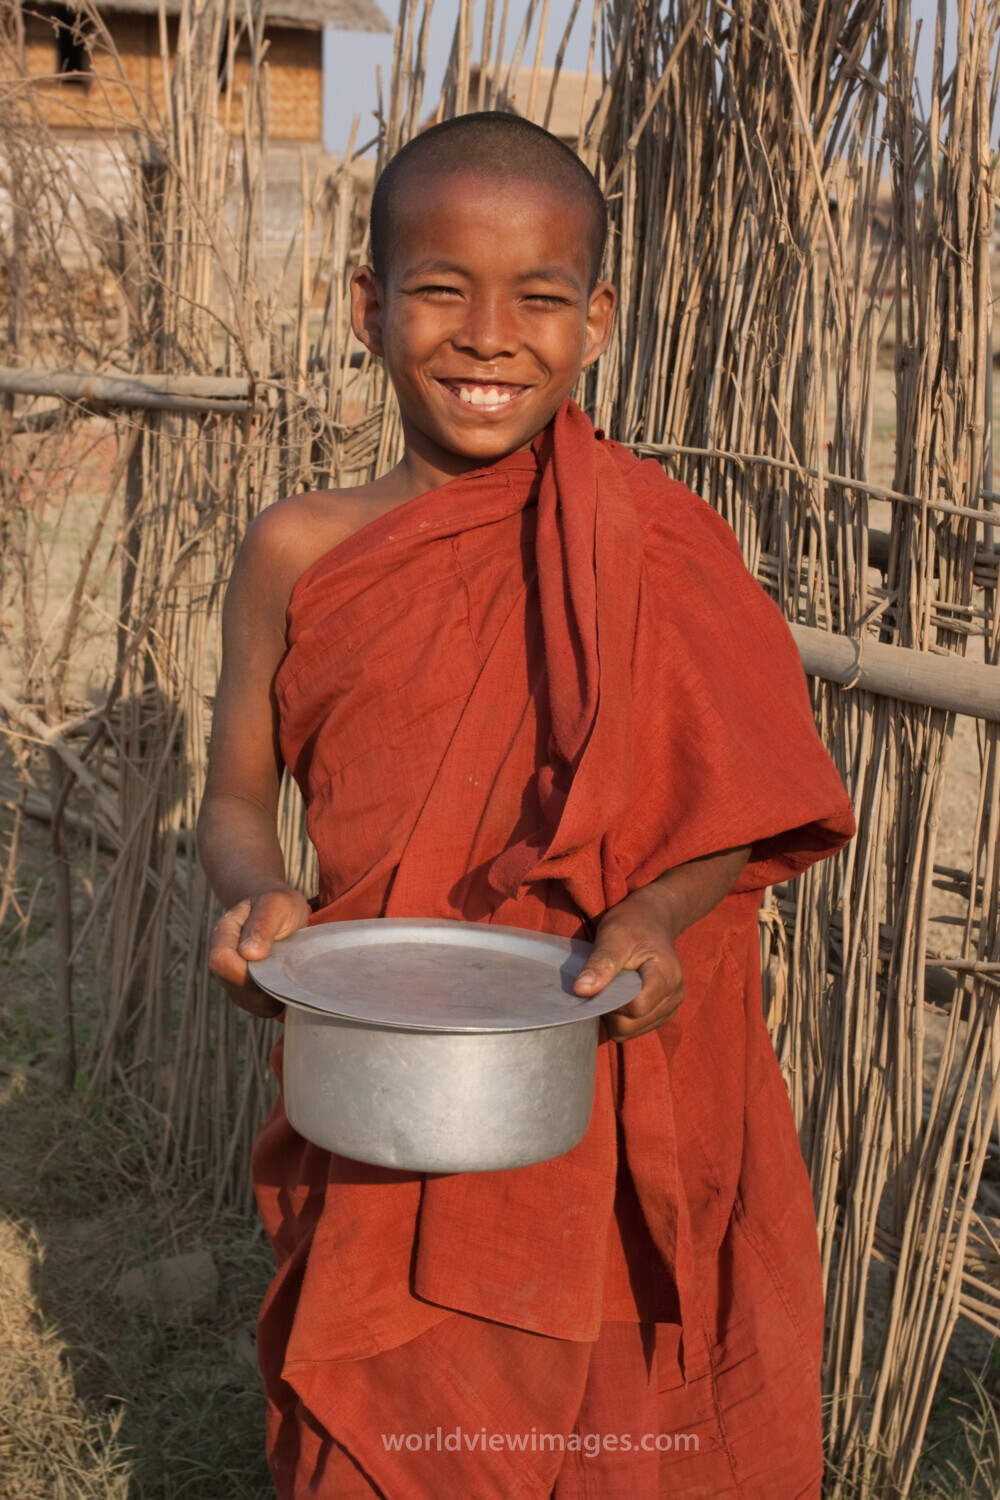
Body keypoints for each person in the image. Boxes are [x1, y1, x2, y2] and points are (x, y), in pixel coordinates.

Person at [197, 112, 855, 1500]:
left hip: (608, 1061)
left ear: (597, 318)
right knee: (393, 1421)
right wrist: (259, 896)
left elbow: (731, 799)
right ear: (369, 307)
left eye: (541, 298)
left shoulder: (659, 541)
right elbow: (238, 800)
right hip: (387, 1063)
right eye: (441, 289)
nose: (489, 336)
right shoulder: (301, 547)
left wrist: (662, 914)